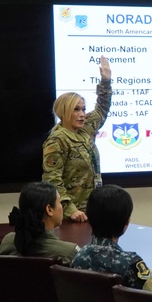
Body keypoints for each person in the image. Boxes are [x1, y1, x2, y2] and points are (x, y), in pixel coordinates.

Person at [42, 55, 113, 222]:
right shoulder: (57, 140)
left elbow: (102, 107)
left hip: (91, 210)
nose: (82, 114)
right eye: (76, 110)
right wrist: (69, 209)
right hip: (70, 216)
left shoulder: (85, 129)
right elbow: (52, 180)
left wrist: (106, 81)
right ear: (64, 112)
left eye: (83, 109)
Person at [70, 184, 151, 288]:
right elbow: (147, 298)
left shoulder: (78, 257)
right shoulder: (131, 263)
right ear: (126, 223)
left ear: (89, 218)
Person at [0, 181, 78, 264]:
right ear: (49, 210)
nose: (62, 206)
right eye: (59, 202)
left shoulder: (9, 241)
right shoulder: (69, 252)